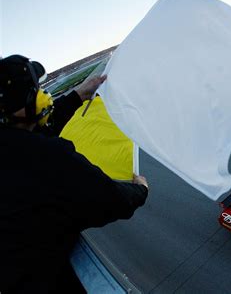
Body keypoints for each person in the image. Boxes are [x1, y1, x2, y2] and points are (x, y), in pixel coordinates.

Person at [0, 55, 149, 293]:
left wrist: (78, 94)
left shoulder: (12, 143)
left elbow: (38, 129)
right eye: (36, 90)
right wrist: (140, 189)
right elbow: (110, 200)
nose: (43, 95)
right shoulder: (47, 158)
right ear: (25, 107)